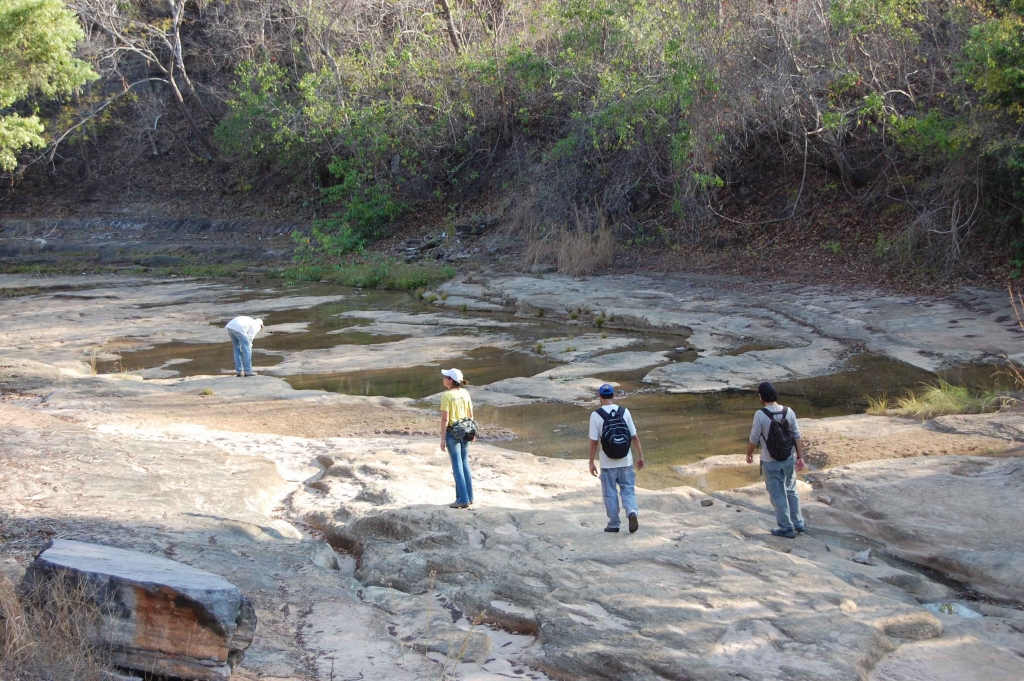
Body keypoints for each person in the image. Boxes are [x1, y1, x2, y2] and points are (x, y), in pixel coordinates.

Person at [745, 381, 806, 538]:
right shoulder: (788, 411)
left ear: (761, 396)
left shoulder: (760, 414)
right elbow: (796, 436)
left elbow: (754, 438)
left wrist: (749, 453)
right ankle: (798, 523)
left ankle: (786, 528)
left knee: (777, 494)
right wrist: (800, 457)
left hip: (769, 461)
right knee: (791, 489)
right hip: (788, 459)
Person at [588, 383, 645, 533]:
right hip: (626, 460)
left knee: (610, 493)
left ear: (599, 397)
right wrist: (640, 456)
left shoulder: (596, 415)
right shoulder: (624, 411)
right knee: (628, 490)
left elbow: (594, 442)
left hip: (607, 463)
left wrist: (591, 462)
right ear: (613, 396)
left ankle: (614, 524)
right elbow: (634, 436)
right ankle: (632, 512)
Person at [440, 368, 474, 509]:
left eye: (445, 376)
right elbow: (470, 414)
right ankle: (469, 497)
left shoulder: (447, 396)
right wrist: (473, 433)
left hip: (452, 433)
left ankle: (462, 500)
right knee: (464, 464)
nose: (443, 378)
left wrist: (442, 439)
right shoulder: (465, 393)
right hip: (465, 431)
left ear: (450, 380)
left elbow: (444, 420)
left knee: (457, 466)